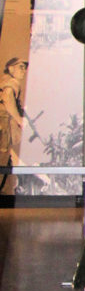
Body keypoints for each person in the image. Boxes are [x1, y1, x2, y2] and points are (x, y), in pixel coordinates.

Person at [0, 57, 27, 194]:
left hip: (4, 124)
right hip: (3, 124)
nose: (24, 70)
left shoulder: (6, 81)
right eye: (20, 67)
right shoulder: (11, 83)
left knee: (6, 160)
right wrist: (19, 119)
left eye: (25, 67)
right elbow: (8, 100)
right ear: (10, 69)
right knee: (3, 158)